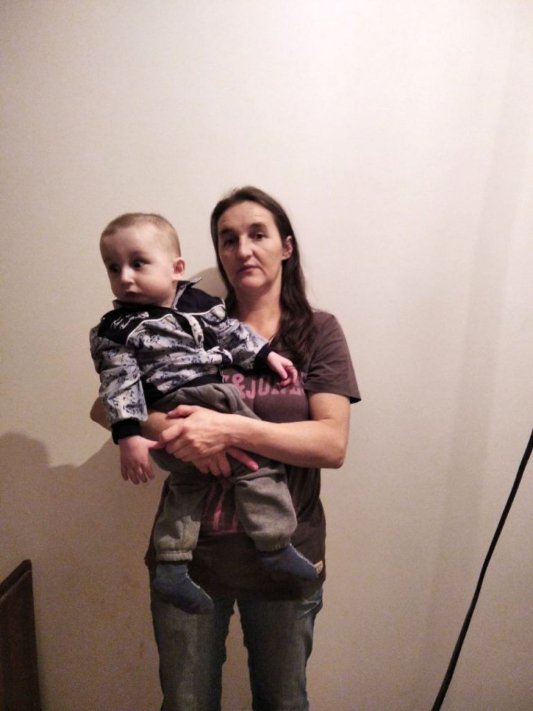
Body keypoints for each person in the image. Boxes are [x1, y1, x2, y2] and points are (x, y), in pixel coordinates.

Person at [91, 186, 360, 710]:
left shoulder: (317, 332)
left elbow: (331, 444)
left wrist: (229, 431)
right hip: (192, 559)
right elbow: (106, 406)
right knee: (186, 704)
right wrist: (181, 432)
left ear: (286, 246)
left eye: (258, 234)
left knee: (283, 703)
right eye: (228, 239)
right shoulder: (182, 320)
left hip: (288, 555)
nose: (242, 249)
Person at [90, 213, 319, 615]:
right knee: (254, 465)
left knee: (193, 482)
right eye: (113, 267)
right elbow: (116, 385)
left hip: (213, 395)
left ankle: (175, 564)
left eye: (138, 263)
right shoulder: (117, 328)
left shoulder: (200, 305)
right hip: (174, 401)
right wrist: (130, 435)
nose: (125, 277)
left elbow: (232, 333)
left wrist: (265, 356)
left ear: (176, 268)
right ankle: (271, 545)